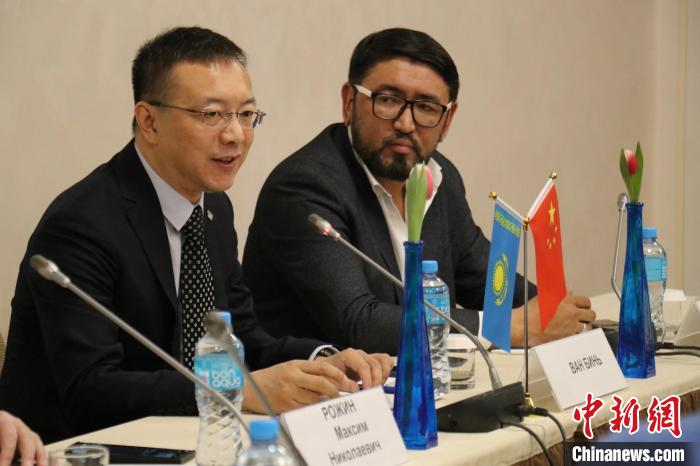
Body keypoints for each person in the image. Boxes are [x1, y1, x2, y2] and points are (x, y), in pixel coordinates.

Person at [0, 27, 391, 443]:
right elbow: (90, 390)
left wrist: (323, 361)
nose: (235, 134)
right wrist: (238, 389)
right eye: (212, 115)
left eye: (246, 114)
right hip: (81, 450)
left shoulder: (213, 208)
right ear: (149, 121)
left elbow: (242, 337)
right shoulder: (83, 225)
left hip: (189, 440)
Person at [242, 27, 596, 354]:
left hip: (422, 385)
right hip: (325, 395)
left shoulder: (438, 176)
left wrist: (555, 311)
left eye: (426, 108)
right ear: (349, 102)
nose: (405, 123)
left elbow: (485, 281)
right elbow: (359, 322)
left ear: (448, 120)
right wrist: (504, 327)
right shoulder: (305, 187)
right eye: (387, 100)